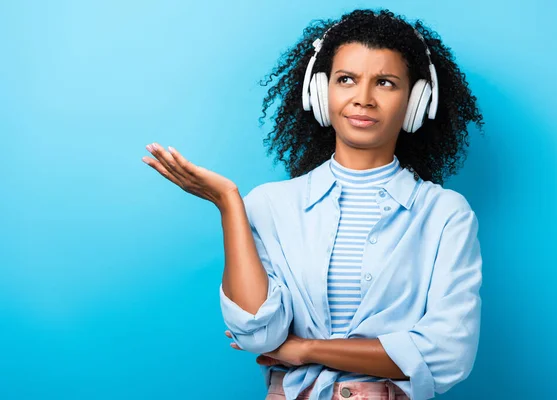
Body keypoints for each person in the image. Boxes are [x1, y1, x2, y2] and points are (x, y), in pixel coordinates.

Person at [142, 8, 484, 400]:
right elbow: (258, 333)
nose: (363, 98)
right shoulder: (270, 205)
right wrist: (229, 204)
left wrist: (305, 349)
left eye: (385, 83)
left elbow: (448, 355)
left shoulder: (445, 214)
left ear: (416, 100)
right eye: (346, 80)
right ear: (320, 93)